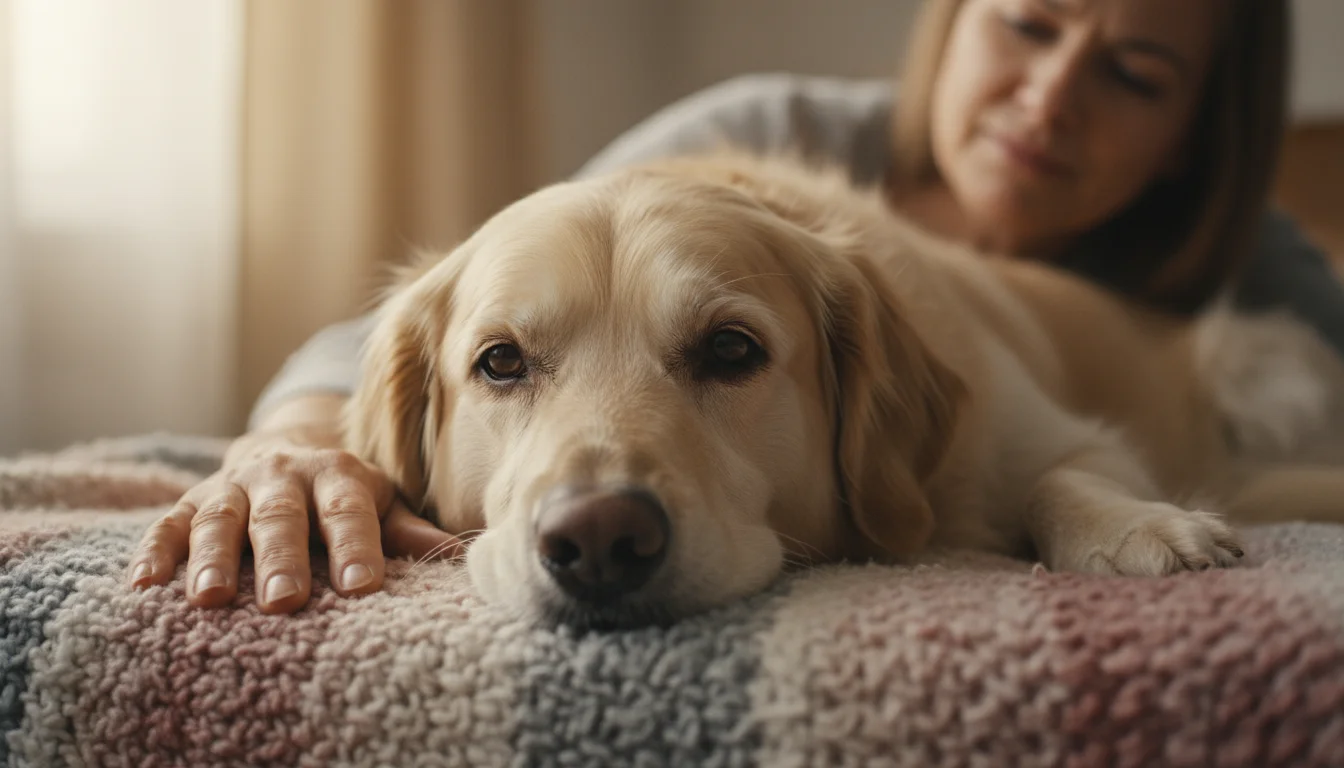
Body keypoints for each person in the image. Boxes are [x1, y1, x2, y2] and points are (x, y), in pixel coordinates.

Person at [128, 0, 1344, 613]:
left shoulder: (1250, 253)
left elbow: (1054, 465)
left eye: (1134, 73)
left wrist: (1071, 501)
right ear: (954, 23)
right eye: (1026, 21)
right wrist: (294, 447)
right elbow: (399, 334)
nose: (1049, 96)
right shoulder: (756, 136)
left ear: (1197, 138)